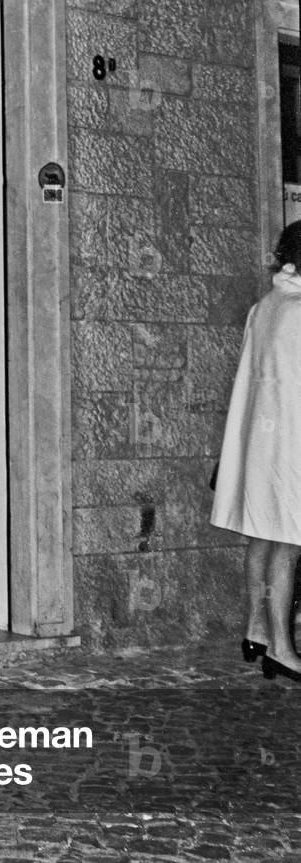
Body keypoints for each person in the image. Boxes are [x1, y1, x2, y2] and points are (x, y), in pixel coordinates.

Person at [211, 220, 301, 682]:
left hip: (261, 445)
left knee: (262, 539)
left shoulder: (266, 306)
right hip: (289, 444)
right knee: (287, 544)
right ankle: (283, 648)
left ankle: (256, 631)